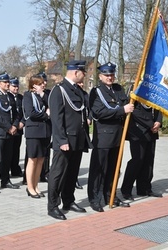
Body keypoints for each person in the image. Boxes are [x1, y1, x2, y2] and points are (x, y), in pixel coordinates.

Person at [47, 60, 92, 220]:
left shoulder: (77, 90)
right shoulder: (59, 90)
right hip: (65, 141)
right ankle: (52, 205)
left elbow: (83, 111)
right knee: (58, 173)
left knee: (72, 173)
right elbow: (56, 119)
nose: (84, 75)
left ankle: (68, 200)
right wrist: (61, 140)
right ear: (75, 72)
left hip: (78, 139)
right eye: (83, 72)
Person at [87, 62, 134, 212]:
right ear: (100, 76)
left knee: (114, 169)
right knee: (99, 169)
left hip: (117, 136)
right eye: (106, 75)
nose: (109, 77)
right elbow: (99, 112)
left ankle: (110, 195)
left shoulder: (118, 89)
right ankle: (95, 199)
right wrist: (122, 110)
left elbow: (127, 105)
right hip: (103, 137)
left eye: (111, 75)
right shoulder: (96, 92)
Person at [121, 96, 163, 200]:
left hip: (151, 131)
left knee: (148, 161)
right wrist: (150, 123)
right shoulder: (136, 88)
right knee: (137, 161)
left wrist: (158, 121)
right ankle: (126, 190)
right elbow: (133, 110)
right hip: (138, 132)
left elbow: (159, 107)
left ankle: (144, 189)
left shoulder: (154, 90)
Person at [23, 75, 51, 199]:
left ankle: (36, 185)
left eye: (44, 83)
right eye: (40, 83)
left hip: (44, 132)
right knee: (32, 159)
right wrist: (46, 115)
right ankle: (30, 187)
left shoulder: (45, 95)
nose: (43, 85)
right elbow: (31, 113)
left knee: (41, 160)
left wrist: (42, 94)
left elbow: (52, 106)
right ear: (33, 85)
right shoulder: (28, 96)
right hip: (33, 132)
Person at [75, 81, 91, 190]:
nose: (81, 84)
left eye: (82, 83)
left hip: (83, 130)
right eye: (79, 83)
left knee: (78, 156)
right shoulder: (72, 94)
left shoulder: (85, 95)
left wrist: (89, 118)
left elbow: (91, 109)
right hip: (74, 130)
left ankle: (75, 177)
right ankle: (73, 179)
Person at [8, 77, 24, 177]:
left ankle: (15, 169)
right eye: (14, 86)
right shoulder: (7, 97)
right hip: (9, 128)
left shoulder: (21, 98)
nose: (16, 88)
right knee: (8, 151)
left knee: (16, 150)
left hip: (19, 128)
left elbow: (24, 112)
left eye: (17, 86)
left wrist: (22, 122)